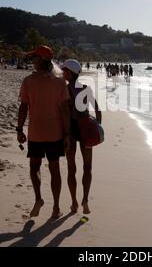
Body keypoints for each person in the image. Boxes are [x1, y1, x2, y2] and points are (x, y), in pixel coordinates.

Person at [17, 45, 72, 220]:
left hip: (36, 132)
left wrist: (19, 129)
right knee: (54, 169)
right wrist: (68, 133)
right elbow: (64, 110)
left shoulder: (28, 81)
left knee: (34, 167)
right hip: (55, 133)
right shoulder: (60, 82)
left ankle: (39, 198)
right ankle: (56, 207)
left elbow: (23, 108)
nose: (32, 61)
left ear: (41, 60)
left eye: (34, 58)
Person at [62, 59, 102, 215]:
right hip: (86, 128)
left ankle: (74, 203)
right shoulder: (85, 89)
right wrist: (97, 127)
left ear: (70, 72)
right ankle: (85, 200)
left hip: (71, 130)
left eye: (64, 70)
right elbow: (97, 110)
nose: (62, 72)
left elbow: (63, 113)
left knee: (71, 168)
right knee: (88, 167)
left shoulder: (64, 90)